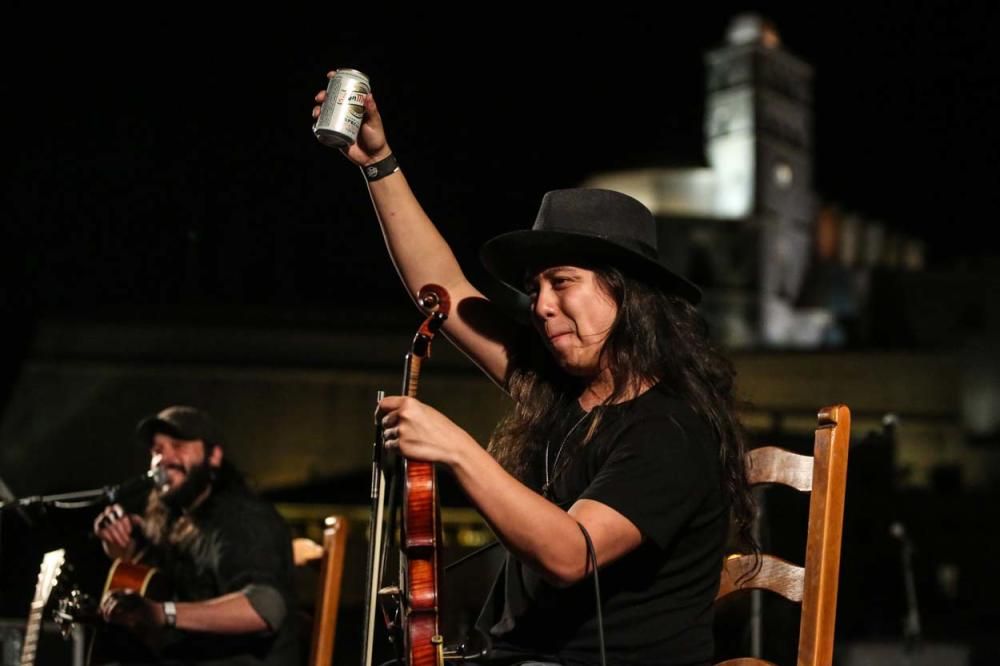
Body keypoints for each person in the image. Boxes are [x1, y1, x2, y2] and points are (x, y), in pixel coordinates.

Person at [312, 73, 757, 666]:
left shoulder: (670, 430)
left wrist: (458, 450)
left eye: (563, 282)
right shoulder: (560, 389)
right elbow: (442, 291)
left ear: (630, 297)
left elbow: (573, 554)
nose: (542, 306)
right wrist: (377, 162)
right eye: (536, 288)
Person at [92, 405, 299, 665]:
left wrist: (163, 613)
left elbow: (265, 607)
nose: (163, 459)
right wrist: (119, 548)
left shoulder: (242, 518)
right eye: (157, 450)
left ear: (214, 456)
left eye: (178, 446)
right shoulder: (177, 520)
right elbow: (152, 581)